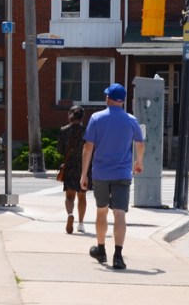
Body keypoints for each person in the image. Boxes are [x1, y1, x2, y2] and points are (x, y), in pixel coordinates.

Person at [80, 83, 145, 270]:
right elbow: (139, 144)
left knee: (102, 211)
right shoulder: (131, 120)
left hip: (101, 173)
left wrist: (84, 174)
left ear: (108, 98)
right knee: (119, 214)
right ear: (123, 101)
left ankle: (101, 249)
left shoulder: (96, 118)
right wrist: (139, 162)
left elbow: (88, 147)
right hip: (123, 173)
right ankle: (118, 255)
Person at [57, 105, 89, 234]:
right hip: (84, 166)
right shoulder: (87, 131)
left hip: (70, 166)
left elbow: (59, 149)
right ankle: (81, 223)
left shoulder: (64, 130)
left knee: (69, 196)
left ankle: (70, 213)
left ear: (70, 115)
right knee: (82, 195)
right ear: (82, 117)